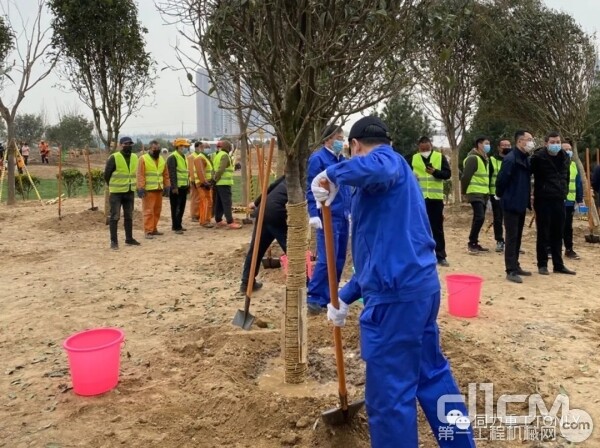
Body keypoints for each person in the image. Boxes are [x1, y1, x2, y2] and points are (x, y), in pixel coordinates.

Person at [311, 116, 475, 448]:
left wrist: (332, 173)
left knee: (389, 397)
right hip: (418, 290)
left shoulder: (387, 162)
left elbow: (379, 165)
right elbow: (380, 254)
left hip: (395, 301)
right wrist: (344, 295)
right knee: (431, 375)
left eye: (349, 152)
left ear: (355, 146)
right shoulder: (389, 186)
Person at [306, 123, 351, 314]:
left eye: (342, 139)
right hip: (327, 215)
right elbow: (312, 187)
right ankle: (314, 296)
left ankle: (330, 296)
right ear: (328, 139)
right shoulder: (318, 159)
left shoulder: (342, 160)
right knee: (327, 258)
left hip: (343, 215)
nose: (341, 142)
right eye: (338, 139)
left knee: (339, 258)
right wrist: (314, 214)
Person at [530, 132, 575, 276]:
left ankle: (558, 264)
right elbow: (530, 177)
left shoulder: (565, 157)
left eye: (558, 141)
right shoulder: (538, 157)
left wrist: (565, 191)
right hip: (543, 199)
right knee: (543, 233)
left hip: (559, 199)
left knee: (558, 233)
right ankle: (542, 264)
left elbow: (566, 176)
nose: (556, 144)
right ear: (546, 143)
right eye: (552, 142)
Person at [495, 130, 533, 283]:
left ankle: (516, 265)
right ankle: (510, 270)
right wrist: (499, 194)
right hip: (510, 202)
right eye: (528, 139)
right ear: (520, 141)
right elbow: (502, 179)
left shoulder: (525, 158)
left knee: (517, 236)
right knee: (511, 237)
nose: (531, 142)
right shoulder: (511, 159)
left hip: (521, 202)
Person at [407, 136, 451, 267]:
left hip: (435, 198)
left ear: (431, 145)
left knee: (437, 227)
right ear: (418, 146)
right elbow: (406, 175)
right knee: (418, 227)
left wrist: (435, 172)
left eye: (427, 145)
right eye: (422, 145)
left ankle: (440, 255)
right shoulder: (413, 158)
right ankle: (420, 254)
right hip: (418, 198)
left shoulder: (439, 157)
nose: (424, 148)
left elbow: (447, 174)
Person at [240, 176, 288, 292]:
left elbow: (271, 188)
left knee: (257, 248)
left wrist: (256, 202)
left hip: (264, 209)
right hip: (276, 212)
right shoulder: (306, 177)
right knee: (293, 249)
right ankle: (306, 284)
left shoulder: (290, 173)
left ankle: (247, 282)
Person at [104, 136, 140, 249]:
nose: (128, 146)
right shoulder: (114, 157)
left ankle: (129, 239)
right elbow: (106, 174)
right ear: (121, 145)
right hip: (116, 193)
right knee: (115, 216)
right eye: (125, 144)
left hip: (129, 191)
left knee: (129, 216)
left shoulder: (135, 157)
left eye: (130, 144)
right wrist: (113, 185)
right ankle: (114, 241)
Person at [461, 137, 491, 254]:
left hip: (483, 193)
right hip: (474, 192)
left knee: (479, 217)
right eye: (486, 143)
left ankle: (474, 242)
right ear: (479, 144)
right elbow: (465, 177)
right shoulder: (473, 158)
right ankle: (471, 243)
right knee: (480, 217)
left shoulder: (485, 159)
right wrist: (464, 192)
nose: (488, 146)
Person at [137, 140, 170, 239]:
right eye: (155, 149)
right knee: (148, 211)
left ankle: (154, 228)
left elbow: (165, 174)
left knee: (157, 211)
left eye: (158, 148)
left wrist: (167, 185)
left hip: (158, 189)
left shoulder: (162, 160)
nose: (157, 150)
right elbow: (140, 174)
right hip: (148, 190)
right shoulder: (143, 159)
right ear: (150, 148)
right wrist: (141, 187)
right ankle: (148, 231)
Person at [212, 140, 242, 229]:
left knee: (219, 203)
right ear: (228, 147)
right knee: (227, 203)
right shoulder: (225, 156)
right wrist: (215, 179)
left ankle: (218, 220)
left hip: (219, 183)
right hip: (224, 183)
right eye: (230, 147)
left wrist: (214, 180)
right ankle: (230, 222)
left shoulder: (218, 155)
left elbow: (216, 168)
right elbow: (221, 169)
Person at [489, 139, 511, 252]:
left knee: (511, 219)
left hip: (511, 194)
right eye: (504, 145)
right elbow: (488, 177)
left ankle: (511, 242)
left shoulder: (514, 159)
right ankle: (499, 241)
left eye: (508, 145)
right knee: (498, 218)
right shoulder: (492, 160)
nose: (506, 147)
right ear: (499, 147)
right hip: (496, 194)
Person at [562, 140, 583, 260]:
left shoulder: (574, 165)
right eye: (565, 149)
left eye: (569, 149)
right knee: (554, 226)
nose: (568, 151)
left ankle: (569, 249)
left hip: (569, 202)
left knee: (568, 227)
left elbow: (578, 183)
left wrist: (579, 199)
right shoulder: (555, 165)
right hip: (557, 200)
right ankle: (550, 248)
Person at [167, 138, 191, 234]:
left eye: (185, 146)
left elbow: (185, 173)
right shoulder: (173, 157)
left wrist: (188, 185)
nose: (184, 147)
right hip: (177, 188)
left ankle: (179, 225)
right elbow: (172, 173)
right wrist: (174, 187)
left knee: (181, 207)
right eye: (182, 146)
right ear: (177, 146)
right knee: (176, 208)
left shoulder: (183, 156)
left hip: (183, 186)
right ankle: (176, 227)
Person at [193, 141, 215, 228]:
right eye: (206, 147)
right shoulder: (200, 158)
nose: (208, 149)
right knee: (206, 202)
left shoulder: (205, 157)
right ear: (201, 148)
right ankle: (204, 221)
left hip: (206, 183)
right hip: (203, 184)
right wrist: (205, 182)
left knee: (207, 202)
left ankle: (205, 220)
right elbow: (200, 171)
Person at [187, 142, 203, 222]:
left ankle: (198, 214)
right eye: (201, 147)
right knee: (195, 198)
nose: (202, 148)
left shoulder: (199, 156)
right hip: (194, 181)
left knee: (199, 198)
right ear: (196, 147)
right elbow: (191, 169)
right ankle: (194, 215)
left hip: (200, 180)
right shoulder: (191, 157)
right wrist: (193, 180)